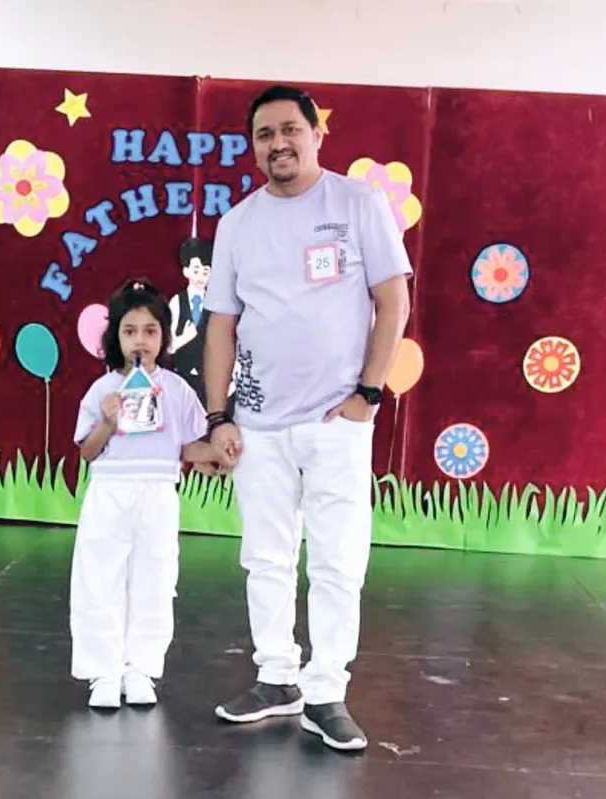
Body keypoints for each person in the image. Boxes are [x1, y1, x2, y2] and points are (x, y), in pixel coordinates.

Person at [202, 84, 413, 752]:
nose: (278, 144)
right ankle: (276, 678)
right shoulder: (237, 224)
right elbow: (221, 326)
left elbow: (393, 300)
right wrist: (219, 415)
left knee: (336, 561)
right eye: (264, 135)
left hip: (336, 422)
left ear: (317, 134)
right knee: (265, 558)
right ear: (253, 147)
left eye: (290, 129)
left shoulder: (357, 204)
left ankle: (326, 691)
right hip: (257, 423)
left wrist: (367, 396)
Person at [70, 277, 231, 710]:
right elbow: (87, 451)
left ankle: (140, 669)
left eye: (150, 331)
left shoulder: (176, 390)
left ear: (164, 336)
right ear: (116, 338)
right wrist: (108, 421)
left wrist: (217, 454)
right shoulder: (103, 390)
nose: (140, 340)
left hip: (159, 494)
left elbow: (188, 447)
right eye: (130, 331)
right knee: (100, 580)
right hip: (110, 493)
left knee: (155, 581)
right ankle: (103, 672)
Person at [167, 237, 213, 405]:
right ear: (186, 271)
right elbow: (168, 346)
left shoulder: (215, 303)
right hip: (183, 379)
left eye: (205, 272)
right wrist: (185, 338)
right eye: (196, 271)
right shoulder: (177, 302)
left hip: (210, 379)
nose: (201, 277)